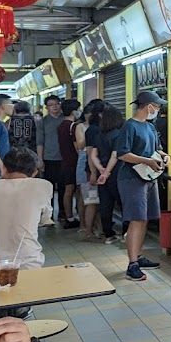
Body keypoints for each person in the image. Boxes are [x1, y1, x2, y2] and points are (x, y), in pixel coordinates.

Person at [114, 92, 168, 281]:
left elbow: (157, 149)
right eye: (157, 106)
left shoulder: (150, 126)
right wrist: (146, 161)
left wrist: (165, 156)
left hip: (149, 177)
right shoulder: (130, 126)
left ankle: (138, 256)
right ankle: (132, 265)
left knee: (144, 219)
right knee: (136, 219)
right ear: (149, 106)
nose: (158, 109)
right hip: (131, 179)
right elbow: (122, 154)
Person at [92, 104, 125, 244]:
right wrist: (107, 172)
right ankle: (126, 234)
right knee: (123, 204)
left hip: (102, 174)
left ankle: (108, 235)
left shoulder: (99, 135)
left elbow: (93, 155)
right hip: (117, 173)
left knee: (105, 204)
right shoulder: (118, 134)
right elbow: (115, 155)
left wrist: (101, 169)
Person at [75, 100, 104, 242]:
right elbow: (88, 151)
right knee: (91, 200)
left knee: (94, 201)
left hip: (92, 169)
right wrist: (93, 172)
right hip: (90, 169)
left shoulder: (95, 128)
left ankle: (96, 229)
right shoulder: (90, 129)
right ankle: (88, 231)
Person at [37, 95, 65, 223]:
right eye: (51, 105)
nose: (54, 107)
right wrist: (40, 159)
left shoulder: (65, 119)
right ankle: (49, 214)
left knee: (64, 187)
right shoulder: (43, 122)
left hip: (64, 159)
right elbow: (40, 142)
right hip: (49, 159)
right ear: (46, 107)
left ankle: (63, 213)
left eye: (57, 104)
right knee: (49, 189)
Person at [57, 98, 81, 229]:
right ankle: (72, 217)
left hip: (65, 161)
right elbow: (78, 147)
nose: (80, 111)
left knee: (68, 189)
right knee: (72, 190)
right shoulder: (73, 126)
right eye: (78, 109)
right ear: (73, 111)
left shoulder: (61, 125)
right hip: (74, 162)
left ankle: (69, 217)